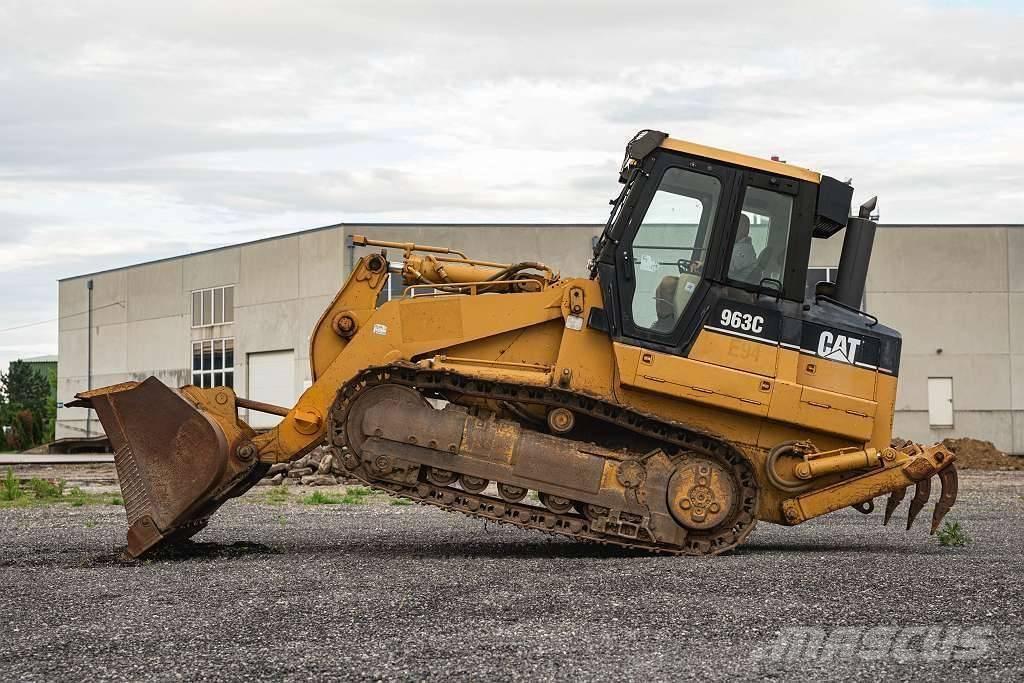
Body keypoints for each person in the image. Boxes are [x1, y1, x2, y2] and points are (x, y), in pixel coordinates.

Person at [729, 214, 757, 278]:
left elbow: (727, 268)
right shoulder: (739, 245)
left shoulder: (745, 249)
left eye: (736, 226)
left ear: (744, 229)